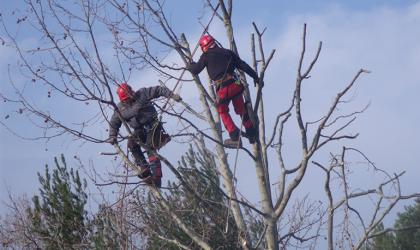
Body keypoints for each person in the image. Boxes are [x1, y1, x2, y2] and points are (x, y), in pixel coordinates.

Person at [187, 34, 262, 147]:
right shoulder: (228, 52)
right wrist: (256, 77)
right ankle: (251, 133)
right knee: (241, 109)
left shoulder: (206, 56)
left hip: (224, 89)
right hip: (236, 85)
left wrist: (190, 65)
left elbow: (196, 70)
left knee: (222, 111)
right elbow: (243, 65)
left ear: (204, 47)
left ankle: (234, 136)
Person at [106, 83, 182, 187]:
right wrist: (112, 136)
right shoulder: (120, 109)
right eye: (127, 99)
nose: (130, 99)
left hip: (153, 125)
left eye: (130, 96)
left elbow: (159, 90)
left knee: (150, 149)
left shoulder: (142, 93)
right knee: (132, 144)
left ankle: (156, 178)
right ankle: (144, 167)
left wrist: (171, 95)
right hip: (139, 130)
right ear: (123, 100)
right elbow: (114, 122)